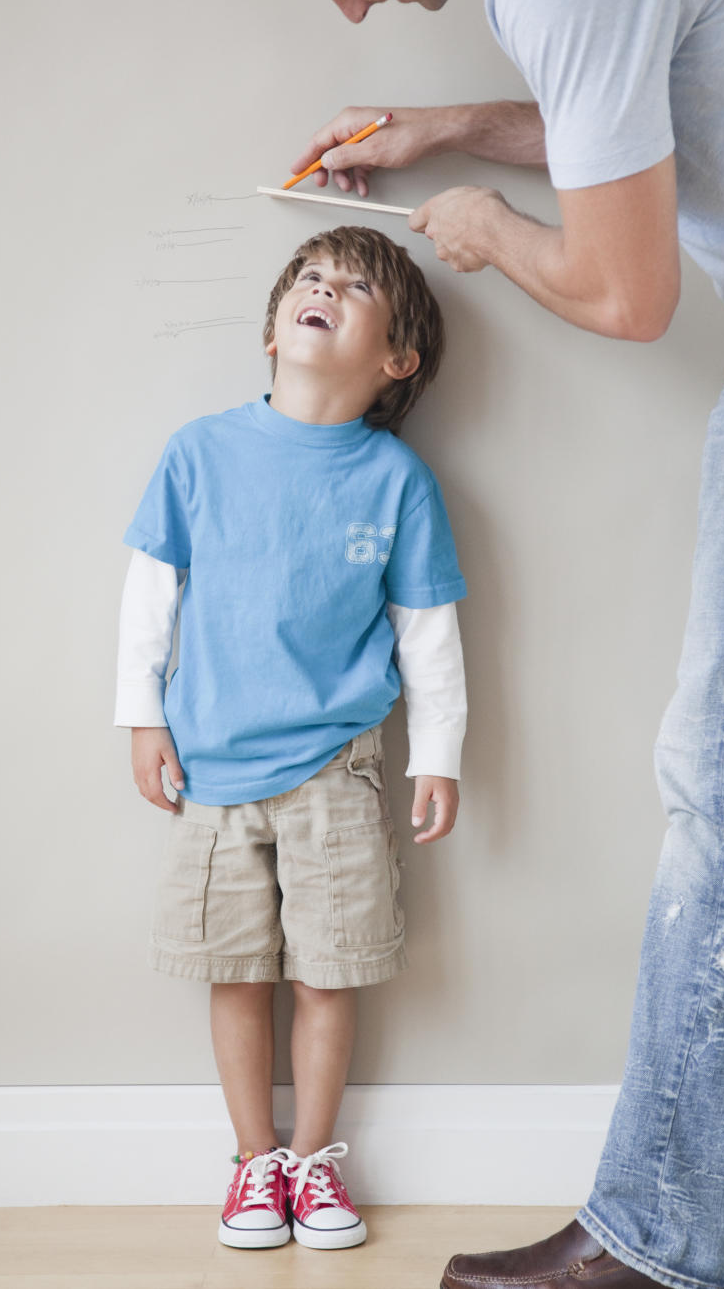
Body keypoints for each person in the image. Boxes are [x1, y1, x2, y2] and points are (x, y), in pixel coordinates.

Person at [213, 0, 724, 1288]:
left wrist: (491, 225)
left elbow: (626, 290)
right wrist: (447, 131)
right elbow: (642, 115)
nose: (357, 12)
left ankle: (672, 1233)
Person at [115, 224, 467, 1251]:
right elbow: (150, 595)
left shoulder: (396, 479)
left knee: (326, 969)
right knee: (239, 970)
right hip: (212, 766)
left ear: (395, 357)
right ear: (274, 326)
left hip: (339, 768)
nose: (325, 289)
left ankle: (313, 1159)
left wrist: (437, 751)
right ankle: (253, 1160)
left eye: (355, 288)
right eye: (310, 278)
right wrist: (140, 712)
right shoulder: (199, 451)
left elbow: (429, 632)